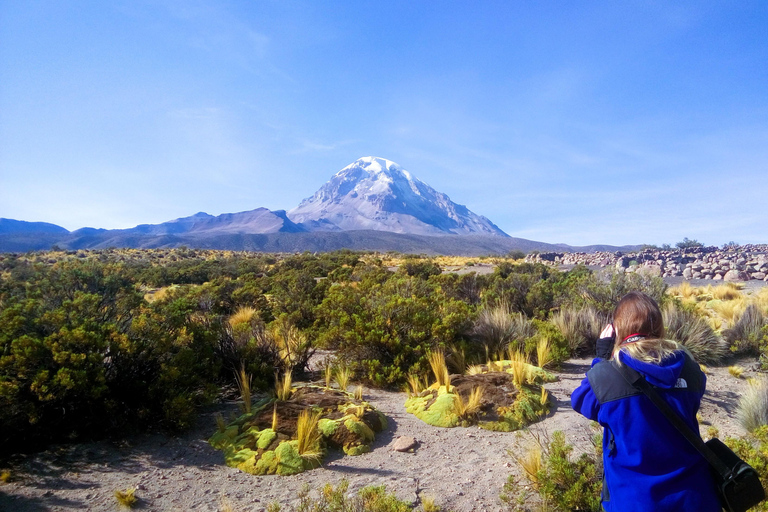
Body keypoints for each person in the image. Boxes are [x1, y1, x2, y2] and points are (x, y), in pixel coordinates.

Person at [571, 291, 721, 512]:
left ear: (617, 330)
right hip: (695, 497)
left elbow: (581, 401)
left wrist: (601, 359)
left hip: (636, 501)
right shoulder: (689, 369)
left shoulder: (608, 376)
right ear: (659, 327)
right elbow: (695, 394)